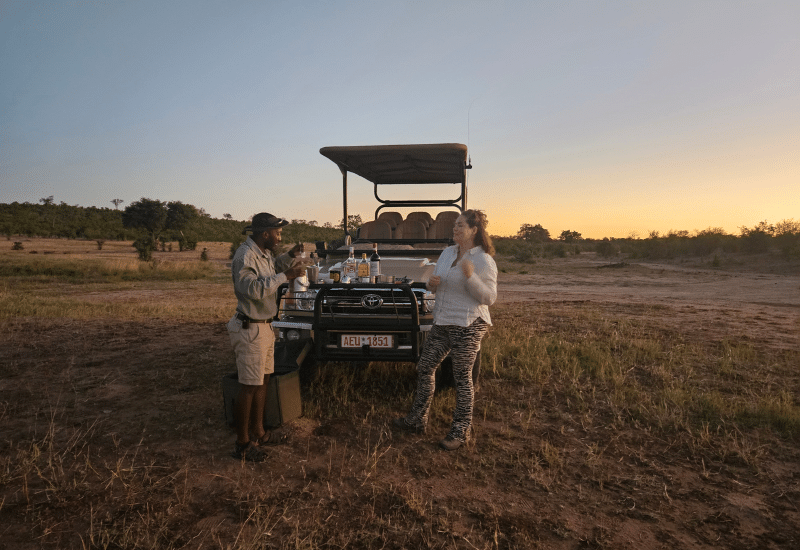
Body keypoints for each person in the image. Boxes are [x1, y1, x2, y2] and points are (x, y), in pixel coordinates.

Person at [393, 209, 497, 451]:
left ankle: (461, 432)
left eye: (460, 225)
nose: (455, 229)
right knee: (425, 366)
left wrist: (471, 277)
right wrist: (431, 284)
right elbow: (435, 286)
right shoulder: (447, 253)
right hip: (443, 321)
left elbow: (489, 298)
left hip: (469, 323)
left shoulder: (483, 260)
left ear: (474, 230)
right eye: (454, 225)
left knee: (462, 377)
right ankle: (416, 421)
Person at [227, 212, 307, 462]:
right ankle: (242, 443)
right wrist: (288, 276)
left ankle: (259, 433)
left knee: (262, 381)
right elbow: (250, 289)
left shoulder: (263, 253)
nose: (279, 237)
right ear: (265, 234)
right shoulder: (245, 256)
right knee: (249, 386)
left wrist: (289, 257)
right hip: (250, 328)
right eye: (278, 233)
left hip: (264, 326)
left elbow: (270, 271)